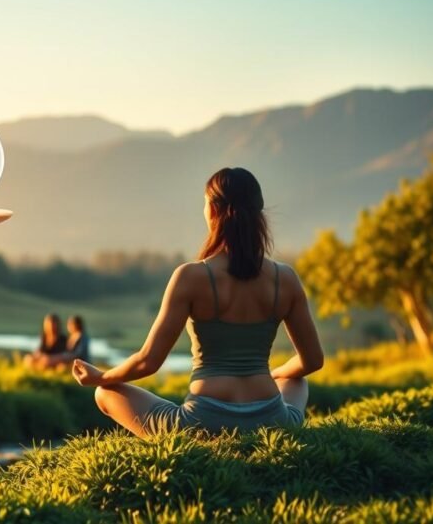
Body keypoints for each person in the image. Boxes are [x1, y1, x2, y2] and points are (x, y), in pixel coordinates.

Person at [72, 167, 324, 437]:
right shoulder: (285, 278)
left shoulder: (191, 276)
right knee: (296, 379)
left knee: (104, 393)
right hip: (271, 419)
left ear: (214, 211)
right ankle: (286, 422)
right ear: (258, 215)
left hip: (202, 423)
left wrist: (100, 377)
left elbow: (148, 361)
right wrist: (273, 375)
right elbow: (312, 361)